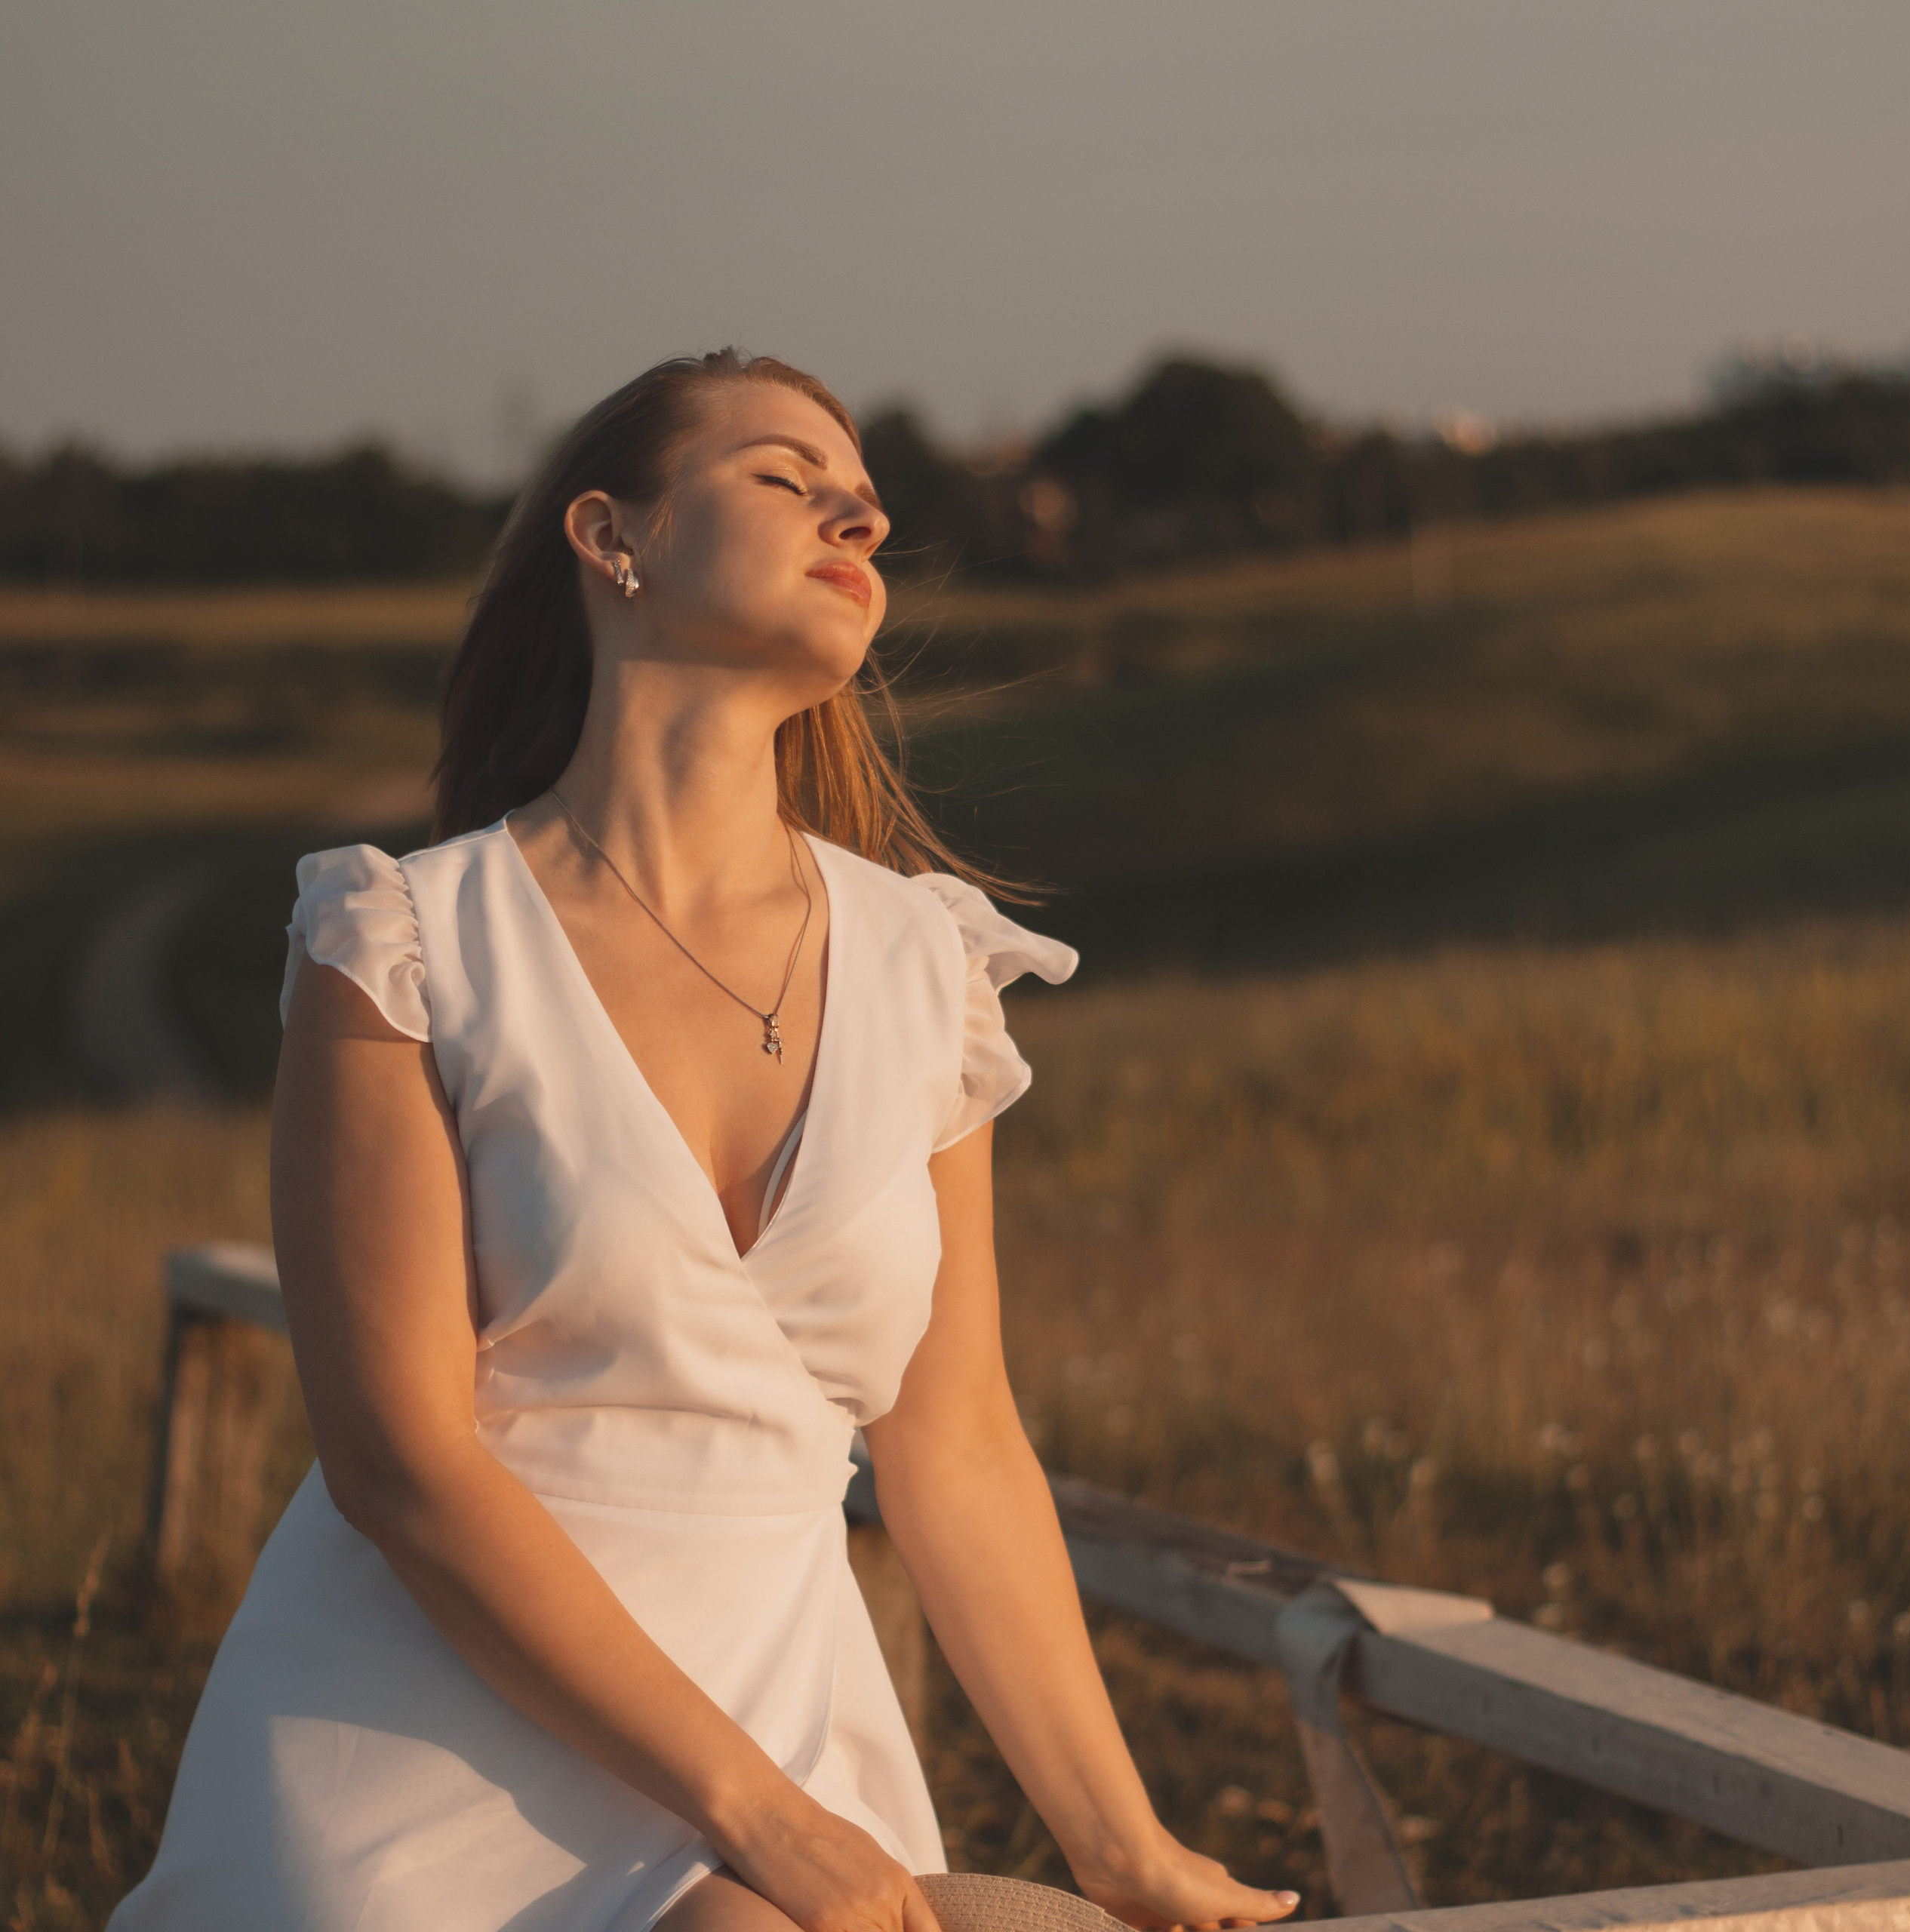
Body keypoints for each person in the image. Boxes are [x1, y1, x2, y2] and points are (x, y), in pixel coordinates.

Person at [109, 350, 1300, 1932]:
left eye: (864, 497)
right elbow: (400, 1462)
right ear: (613, 538)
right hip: (436, 1752)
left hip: (782, 1722)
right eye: (785, 477)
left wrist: (1122, 1845)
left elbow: (955, 1447)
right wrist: (759, 1815)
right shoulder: (407, 945)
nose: (859, 517)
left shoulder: (924, 968)